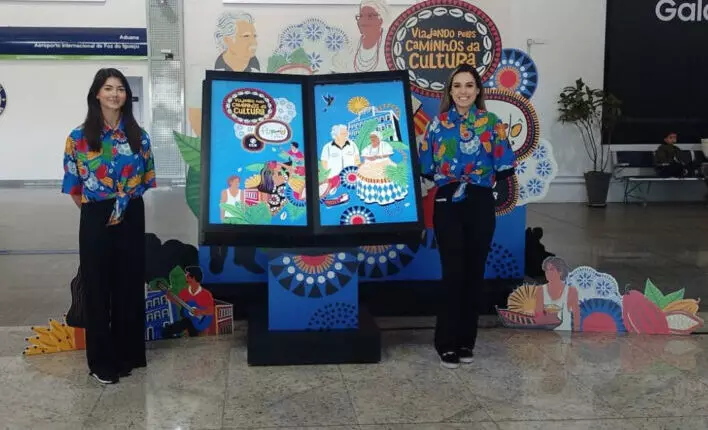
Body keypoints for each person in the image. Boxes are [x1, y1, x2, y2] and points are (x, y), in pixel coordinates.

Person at [62, 68, 156, 384]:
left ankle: (128, 353)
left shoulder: (139, 136)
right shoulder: (78, 138)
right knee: (97, 285)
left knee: (129, 284)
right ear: (96, 94)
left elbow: (146, 178)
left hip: (132, 212)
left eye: (120, 89)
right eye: (108, 88)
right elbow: (74, 187)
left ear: (127, 95)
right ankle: (101, 361)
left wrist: (123, 207)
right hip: (95, 214)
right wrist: (98, 212)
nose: (115, 94)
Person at [419, 63, 516, 369]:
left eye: (469, 85)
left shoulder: (492, 123)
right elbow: (426, 167)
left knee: (475, 273)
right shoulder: (437, 125)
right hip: (447, 201)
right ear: (450, 91)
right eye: (457, 85)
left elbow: (504, 166)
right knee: (453, 272)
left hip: (480, 201)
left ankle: (465, 342)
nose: (463, 91)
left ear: (478, 90)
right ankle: (445, 343)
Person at [162, 266, 215, 338]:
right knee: (168, 330)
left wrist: (200, 312)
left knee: (187, 323)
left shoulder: (206, 294)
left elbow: (211, 311)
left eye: (187, 275)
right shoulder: (184, 292)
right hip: (189, 322)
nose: (185, 277)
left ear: (193, 278)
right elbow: (180, 304)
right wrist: (171, 298)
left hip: (201, 324)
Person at [534, 257, 579, 331]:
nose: (547, 272)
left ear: (560, 272)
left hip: (565, 333)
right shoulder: (540, 290)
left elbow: (576, 318)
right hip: (546, 333)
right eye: (546, 270)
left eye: (551, 269)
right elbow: (538, 317)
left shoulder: (571, 291)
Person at [320, 124, 361, 193]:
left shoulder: (353, 145)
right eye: (343, 134)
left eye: (347, 133)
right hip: (333, 181)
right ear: (335, 135)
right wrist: (326, 179)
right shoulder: (327, 147)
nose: (346, 135)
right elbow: (324, 164)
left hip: (351, 180)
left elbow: (357, 161)